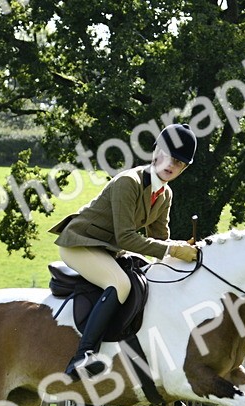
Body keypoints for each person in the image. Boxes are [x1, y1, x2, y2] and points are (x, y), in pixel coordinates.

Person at [50, 123, 200, 379]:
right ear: (156, 152)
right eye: (168, 156)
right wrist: (173, 249)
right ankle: (83, 356)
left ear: (184, 168)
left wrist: (183, 251)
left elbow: (159, 239)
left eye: (179, 163)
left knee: (148, 276)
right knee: (120, 284)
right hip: (80, 243)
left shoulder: (165, 194)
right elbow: (126, 237)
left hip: (108, 250)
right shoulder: (128, 182)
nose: (171, 165)